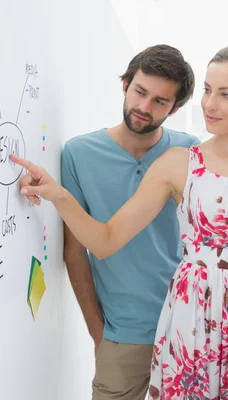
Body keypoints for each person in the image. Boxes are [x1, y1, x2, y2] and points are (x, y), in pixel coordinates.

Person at [11, 43, 228, 399]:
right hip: (185, 322)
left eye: (225, 94)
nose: (210, 104)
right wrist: (57, 193)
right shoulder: (180, 161)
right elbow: (102, 242)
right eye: (209, 91)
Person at [60, 44, 199, 400]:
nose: (144, 107)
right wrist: (96, 330)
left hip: (189, 326)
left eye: (160, 102)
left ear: (176, 108)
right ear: (125, 84)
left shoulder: (189, 151)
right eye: (140, 92)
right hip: (122, 335)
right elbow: (75, 253)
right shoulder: (79, 154)